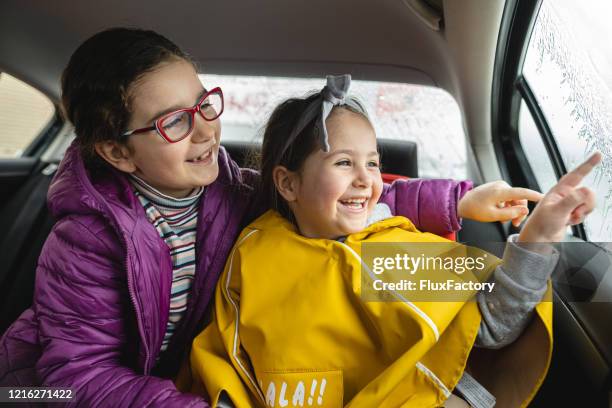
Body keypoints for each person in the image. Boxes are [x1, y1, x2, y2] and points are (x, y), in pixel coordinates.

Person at [0, 29, 542, 406]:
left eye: (204, 103)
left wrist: (456, 202)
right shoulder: (85, 242)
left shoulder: (232, 191)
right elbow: (77, 374)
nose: (207, 130)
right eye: (173, 123)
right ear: (118, 153)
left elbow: (331, 200)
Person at [188, 75, 600, 407]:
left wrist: (538, 237)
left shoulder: (391, 250)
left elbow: (493, 325)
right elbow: (228, 364)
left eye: (373, 163)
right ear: (288, 182)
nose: (367, 179)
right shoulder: (257, 252)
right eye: (344, 162)